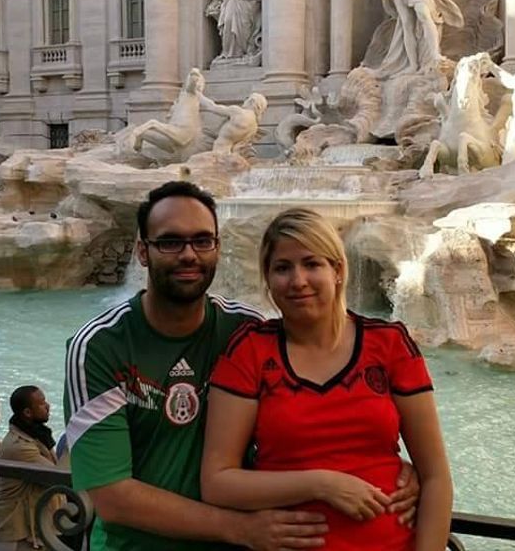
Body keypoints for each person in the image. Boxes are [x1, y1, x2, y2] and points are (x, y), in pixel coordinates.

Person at [65, 181, 419, 550]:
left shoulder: (246, 331)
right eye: (171, 242)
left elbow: (315, 419)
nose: (189, 254)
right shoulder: (98, 346)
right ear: (142, 251)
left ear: (217, 248)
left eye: (202, 241)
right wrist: (239, 528)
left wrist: (395, 470)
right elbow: (111, 495)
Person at [201, 208, 453, 550]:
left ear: (337, 270)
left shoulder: (390, 343)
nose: (298, 280)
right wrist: (322, 484)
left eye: (312, 263)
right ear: (268, 278)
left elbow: (436, 476)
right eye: (282, 268)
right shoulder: (249, 351)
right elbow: (217, 483)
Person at [0, 385, 60, 551]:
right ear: (27, 413)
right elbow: (57, 475)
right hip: (14, 533)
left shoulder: (36, 436)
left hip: (30, 531)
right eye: (42, 404)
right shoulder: (19, 446)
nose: (48, 406)